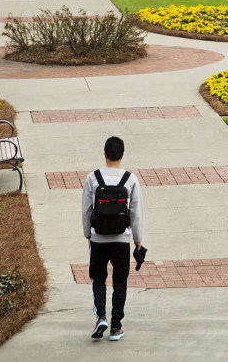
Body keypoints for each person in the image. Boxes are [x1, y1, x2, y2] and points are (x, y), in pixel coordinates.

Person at [82, 136, 144, 342]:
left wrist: (88, 234)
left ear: (105, 154)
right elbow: (136, 212)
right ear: (122, 155)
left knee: (98, 279)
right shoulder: (130, 179)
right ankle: (116, 327)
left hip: (98, 238)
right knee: (120, 281)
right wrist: (138, 239)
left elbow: (86, 209)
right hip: (121, 239)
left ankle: (101, 317)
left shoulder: (93, 178)